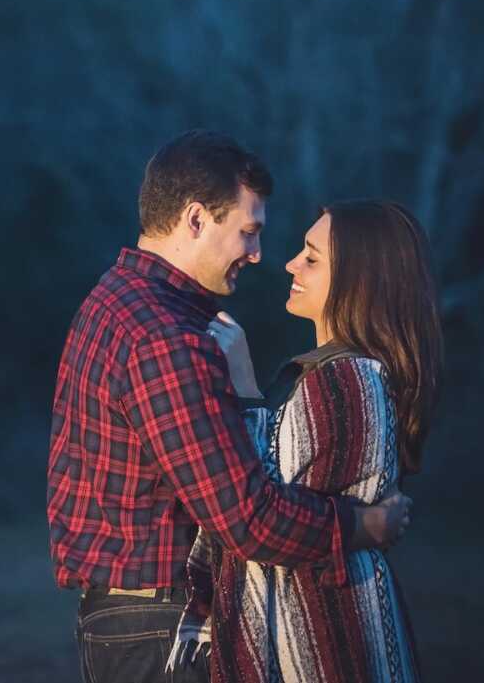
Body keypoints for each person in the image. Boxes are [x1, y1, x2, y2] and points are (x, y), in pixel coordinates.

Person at [47, 132, 413, 683]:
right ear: (196, 219)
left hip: (130, 618)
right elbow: (247, 519)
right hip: (162, 626)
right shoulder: (165, 337)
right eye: (249, 231)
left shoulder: (117, 297)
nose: (259, 254)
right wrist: (363, 525)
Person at [168, 199, 443, 683]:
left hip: (328, 648)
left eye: (312, 257)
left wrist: (246, 389)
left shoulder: (350, 380)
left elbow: (259, 505)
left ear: (359, 280)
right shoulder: (323, 373)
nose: (291, 263)